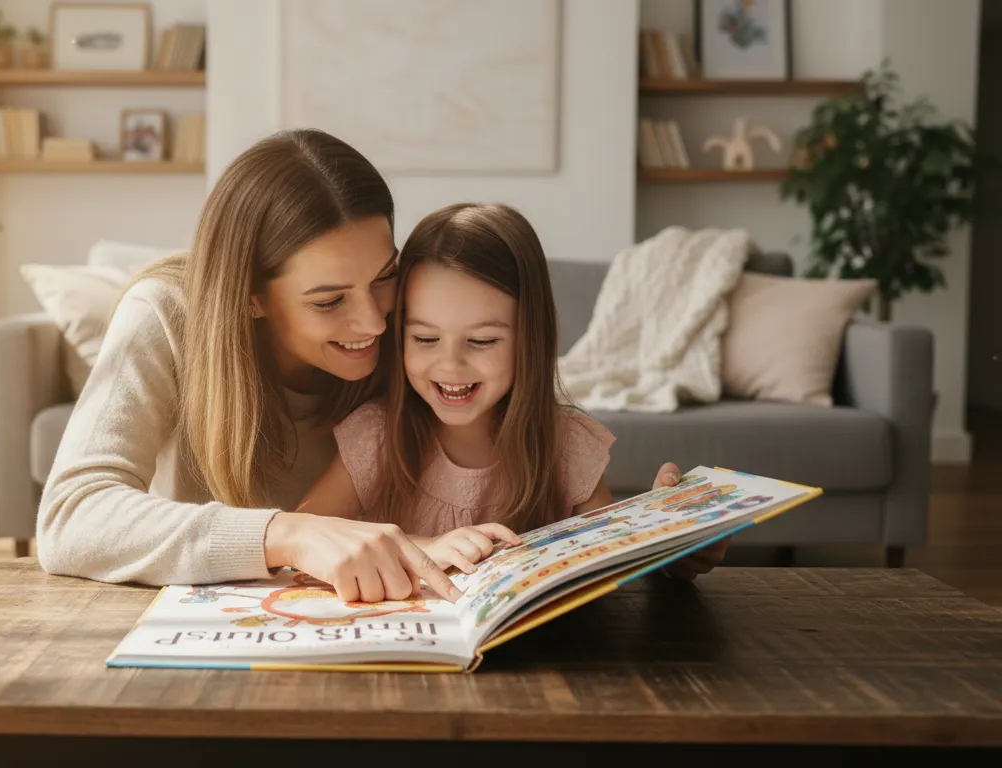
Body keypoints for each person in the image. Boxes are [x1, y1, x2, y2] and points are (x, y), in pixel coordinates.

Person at [36, 129, 707, 604]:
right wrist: (289, 534)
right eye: (328, 301)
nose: (374, 325)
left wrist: (658, 543)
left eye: (384, 279)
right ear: (250, 298)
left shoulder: (416, 336)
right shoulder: (169, 316)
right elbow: (71, 518)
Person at [297, 203, 727, 580]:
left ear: (529, 339)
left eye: (482, 341)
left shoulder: (565, 443)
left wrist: (666, 543)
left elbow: (607, 558)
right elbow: (302, 541)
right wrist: (420, 546)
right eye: (425, 339)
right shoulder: (376, 437)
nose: (450, 365)